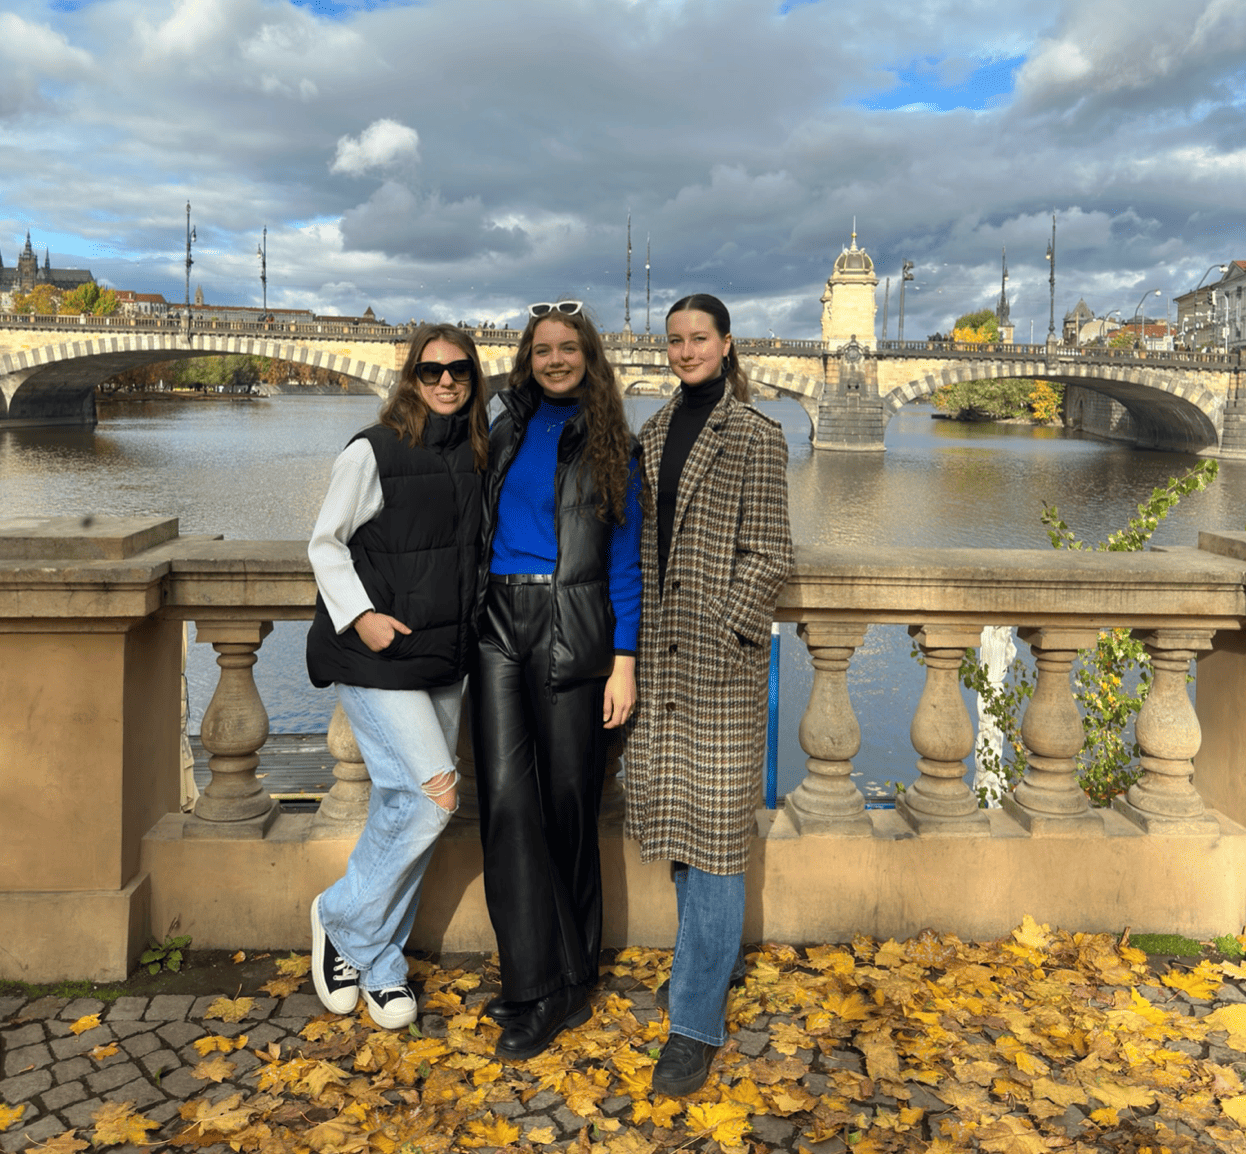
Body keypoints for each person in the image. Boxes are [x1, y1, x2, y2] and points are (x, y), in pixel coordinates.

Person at [626, 293, 794, 1096]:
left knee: (720, 845)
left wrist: (728, 633)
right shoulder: (652, 433)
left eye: (699, 338)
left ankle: (693, 1026)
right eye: (676, 340)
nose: (686, 350)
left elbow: (769, 554)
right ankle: (703, 974)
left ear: (727, 346)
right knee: (685, 834)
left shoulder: (758, 436)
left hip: (719, 667)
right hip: (660, 662)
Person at [305, 323, 489, 1030]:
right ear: (410, 377)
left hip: (444, 659)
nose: (446, 380)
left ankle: (381, 965)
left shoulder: (473, 452)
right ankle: (341, 915)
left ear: (474, 379)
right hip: (378, 656)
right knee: (435, 800)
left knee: (400, 808)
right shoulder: (371, 449)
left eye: (459, 370)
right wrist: (362, 618)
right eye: (431, 369)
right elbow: (324, 544)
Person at [473, 300, 642, 1061]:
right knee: (507, 805)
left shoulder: (612, 441)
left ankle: (574, 977)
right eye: (541, 349)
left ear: (588, 355)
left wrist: (625, 660)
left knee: (570, 805)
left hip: (573, 627)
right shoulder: (504, 425)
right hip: (499, 626)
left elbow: (627, 563)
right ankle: (531, 979)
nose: (554, 359)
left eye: (567, 348)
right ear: (527, 358)